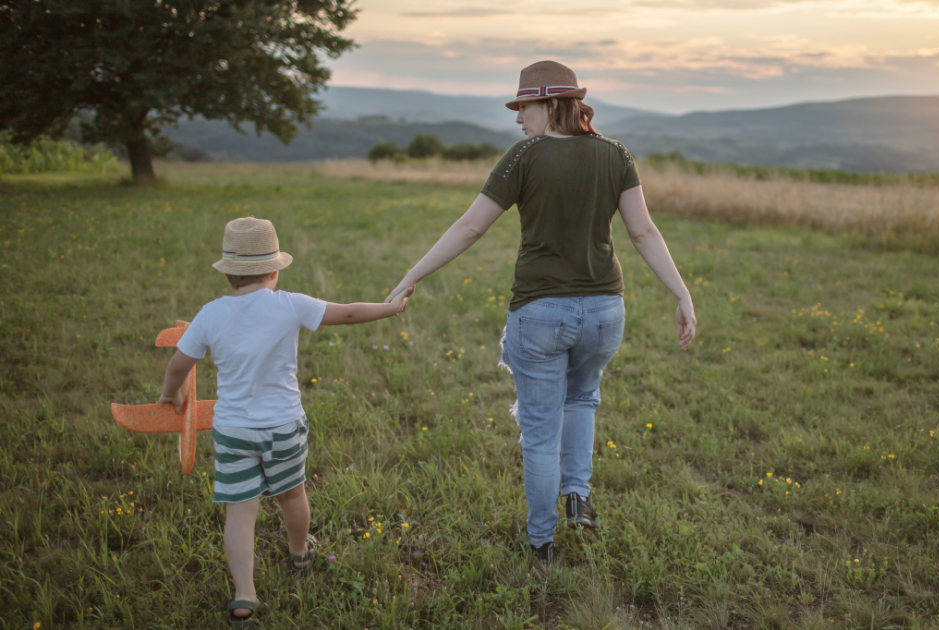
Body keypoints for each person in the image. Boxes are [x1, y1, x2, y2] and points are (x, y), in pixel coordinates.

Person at [386, 60, 696, 564]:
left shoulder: (524, 156)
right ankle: (578, 496)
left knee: (539, 430)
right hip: (604, 312)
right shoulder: (616, 153)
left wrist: (412, 275)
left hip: (540, 314)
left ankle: (541, 542)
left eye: (523, 107)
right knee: (582, 400)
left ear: (551, 104)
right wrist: (681, 293)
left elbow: (469, 228)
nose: (517, 119)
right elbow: (643, 232)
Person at [158, 217, 408, 627]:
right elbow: (346, 314)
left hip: (233, 430)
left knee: (239, 512)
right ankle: (299, 553)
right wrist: (391, 307)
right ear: (274, 270)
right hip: (283, 427)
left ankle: (244, 594)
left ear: (229, 274)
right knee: (292, 495)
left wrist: (170, 395)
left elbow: (178, 364)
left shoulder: (210, 314)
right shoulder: (290, 304)